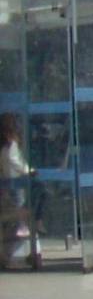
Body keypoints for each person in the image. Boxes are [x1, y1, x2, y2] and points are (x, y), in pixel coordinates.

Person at [1, 112, 42, 269]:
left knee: (15, 224)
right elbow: (17, 163)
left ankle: (8, 255)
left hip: (10, 190)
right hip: (16, 189)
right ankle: (34, 253)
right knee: (22, 220)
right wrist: (30, 170)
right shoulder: (11, 148)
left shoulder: (5, 149)